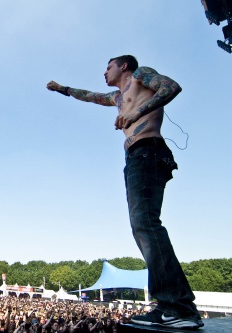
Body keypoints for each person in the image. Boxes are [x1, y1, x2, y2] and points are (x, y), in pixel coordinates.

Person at [46, 55, 203, 330]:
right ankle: (169, 305)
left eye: (108, 67)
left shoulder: (141, 75)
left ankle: (179, 307)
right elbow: (91, 96)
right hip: (134, 158)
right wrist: (63, 89)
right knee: (141, 227)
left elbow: (172, 87)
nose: (104, 72)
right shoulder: (117, 97)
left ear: (124, 66)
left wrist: (137, 113)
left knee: (146, 225)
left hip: (149, 151)